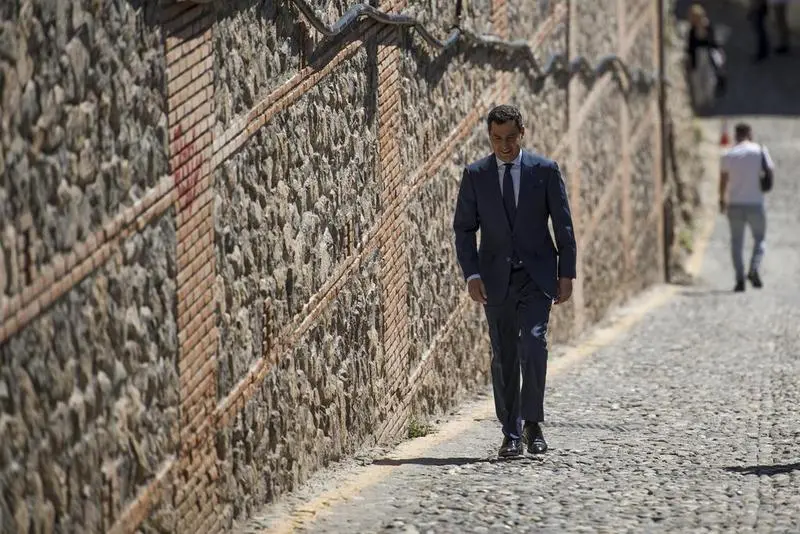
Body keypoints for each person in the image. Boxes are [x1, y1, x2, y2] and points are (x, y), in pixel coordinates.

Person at [452, 105, 577, 458]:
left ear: (522, 132)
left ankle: (532, 423)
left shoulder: (546, 171)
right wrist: (472, 274)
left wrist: (566, 273)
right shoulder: (476, 175)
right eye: (496, 139)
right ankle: (510, 432)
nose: (504, 146)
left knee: (534, 345)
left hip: (537, 276)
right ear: (489, 137)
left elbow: (563, 227)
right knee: (504, 353)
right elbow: (463, 229)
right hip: (495, 280)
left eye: (510, 138)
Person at [719, 123, 775, 292]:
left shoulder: (728, 154)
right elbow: (770, 171)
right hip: (755, 203)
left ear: (736, 135)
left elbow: (723, 180)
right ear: (750, 134)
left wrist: (721, 200)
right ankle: (754, 268)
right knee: (760, 239)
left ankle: (739, 280)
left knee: (736, 243)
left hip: (735, 204)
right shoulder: (759, 151)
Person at [685, 4, 726, 106]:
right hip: (697, 56)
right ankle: (700, 102)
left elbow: (713, 41)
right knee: (697, 78)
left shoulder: (708, 27)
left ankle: (709, 99)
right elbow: (690, 46)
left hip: (708, 55)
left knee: (710, 77)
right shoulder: (692, 30)